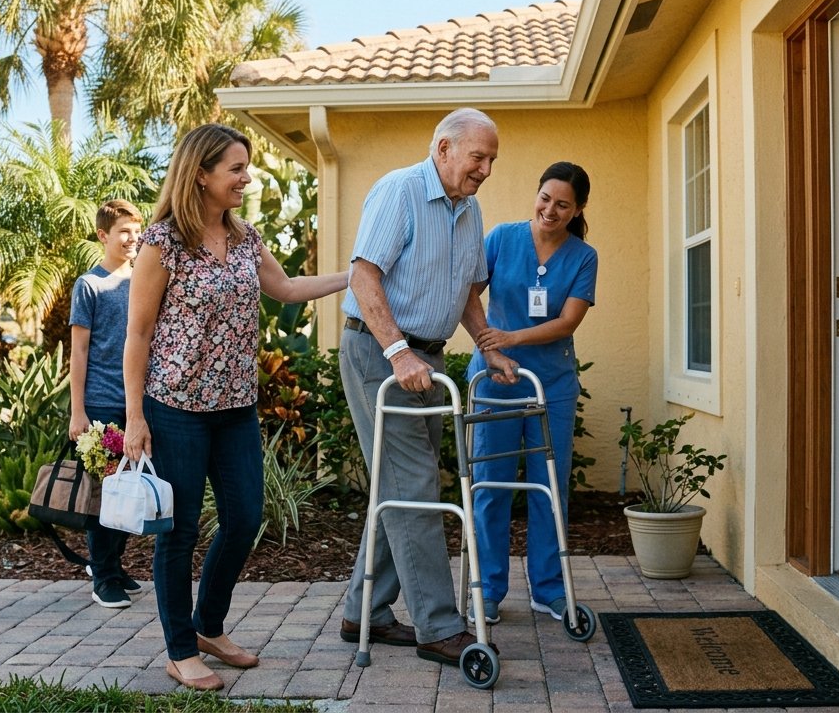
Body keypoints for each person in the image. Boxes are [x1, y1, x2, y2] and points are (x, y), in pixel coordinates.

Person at [122, 123, 349, 692]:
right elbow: (138, 334)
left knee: (245, 517)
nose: (246, 178)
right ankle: (180, 650)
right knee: (178, 531)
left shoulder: (245, 238)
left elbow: (287, 289)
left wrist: (355, 276)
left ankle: (208, 625)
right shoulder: (162, 242)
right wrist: (135, 416)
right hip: (175, 407)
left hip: (235, 407)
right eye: (236, 169)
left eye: (246, 168)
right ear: (201, 174)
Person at [337, 107, 519, 667]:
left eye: (491, 160)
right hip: (380, 354)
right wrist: (397, 351)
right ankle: (439, 626)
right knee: (413, 485)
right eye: (478, 157)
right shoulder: (400, 191)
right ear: (443, 148)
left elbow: (466, 289)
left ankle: (364, 612)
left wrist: (488, 345)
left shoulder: (469, 208)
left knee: (401, 484)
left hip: (426, 360)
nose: (486, 169)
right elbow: (363, 274)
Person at [465, 161, 598, 626]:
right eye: (545, 198)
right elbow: (468, 294)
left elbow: (567, 321)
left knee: (549, 486)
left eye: (563, 204)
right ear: (536, 194)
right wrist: (491, 347)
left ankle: (549, 589)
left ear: (578, 209)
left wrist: (511, 338)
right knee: (491, 485)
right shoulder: (502, 238)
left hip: (551, 387)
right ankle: (489, 590)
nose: (550, 210)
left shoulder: (583, 257)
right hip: (495, 381)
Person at [68, 199, 144, 610]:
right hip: (100, 404)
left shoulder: (144, 278)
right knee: (105, 493)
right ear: (103, 235)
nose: (132, 238)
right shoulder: (89, 285)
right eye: (124, 232)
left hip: (139, 403)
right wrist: (77, 411)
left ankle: (112, 565)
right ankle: (103, 576)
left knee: (130, 489)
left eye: (136, 230)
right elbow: (78, 352)